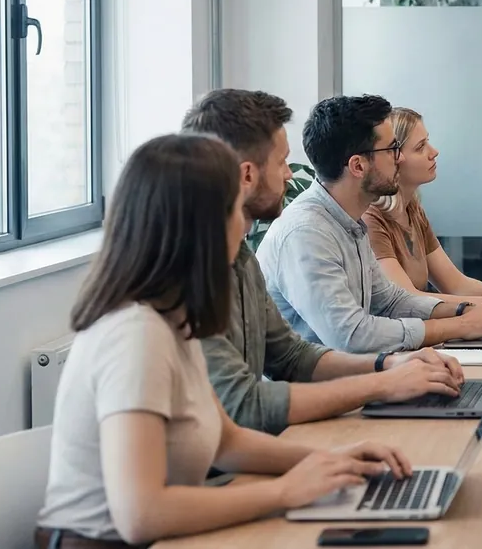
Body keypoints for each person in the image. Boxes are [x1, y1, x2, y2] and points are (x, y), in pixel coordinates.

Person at [37, 134, 412, 547]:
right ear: (201, 227)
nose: (243, 223)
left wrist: (336, 459)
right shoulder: (137, 336)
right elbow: (141, 516)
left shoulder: (173, 319)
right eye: (235, 208)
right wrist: (283, 491)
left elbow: (225, 440)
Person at [182, 89, 466, 435]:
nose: (290, 175)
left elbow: (290, 357)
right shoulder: (194, 275)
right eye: (281, 161)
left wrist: (390, 363)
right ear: (246, 175)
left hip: (264, 439)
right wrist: (384, 381)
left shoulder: (240, 258)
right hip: (243, 456)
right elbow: (244, 405)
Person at [258, 95, 482, 353]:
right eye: (392, 149)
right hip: (317, 392)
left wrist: (470, 311)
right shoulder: (307, 233)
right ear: (358, 166)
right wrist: (461, 325)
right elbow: (352, 335)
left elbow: (392, 301)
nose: (400, 158)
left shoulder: (348, 219)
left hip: (355, 380)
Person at [365, 107, 482, 304]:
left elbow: (456, 284)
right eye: (420, 147)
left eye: (428, 142)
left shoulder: (412, 209)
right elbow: (406, 300)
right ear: (395, 158)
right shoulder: (372, 219)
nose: (434, 152)